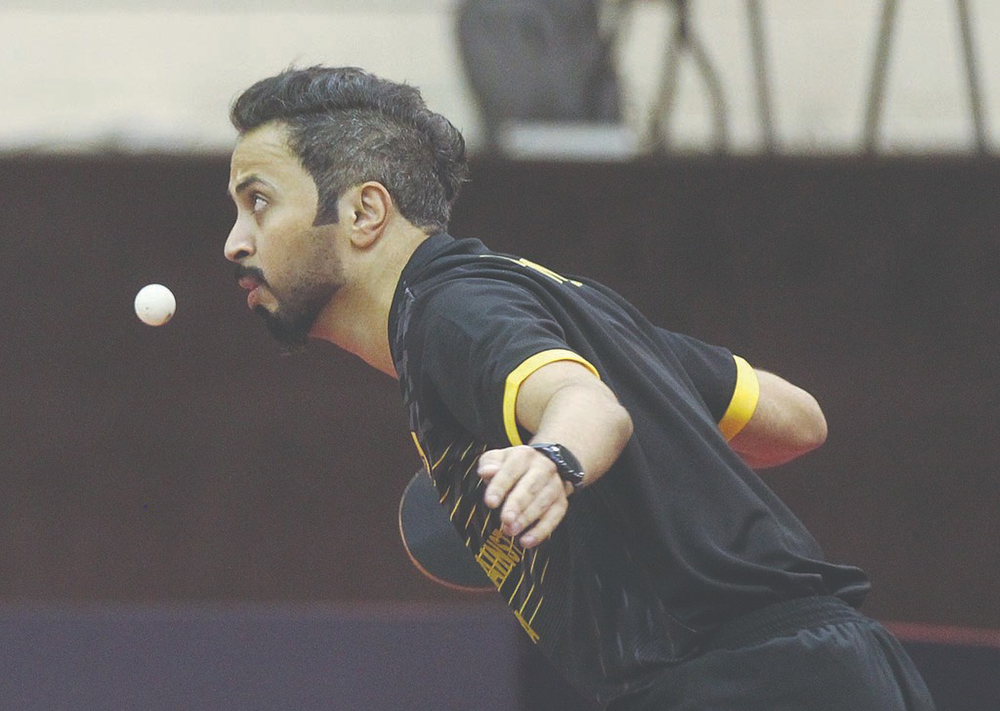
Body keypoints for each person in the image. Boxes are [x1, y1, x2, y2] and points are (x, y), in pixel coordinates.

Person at [222, 66, 935, 710]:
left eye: (259, 202)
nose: (235, 241)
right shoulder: (559, 302)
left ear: (363, 213)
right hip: (829, 667)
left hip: (745, 680)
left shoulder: (447, 312)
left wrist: (556, 460)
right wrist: (660, 447)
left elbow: (588, 406)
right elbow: (796, 417)